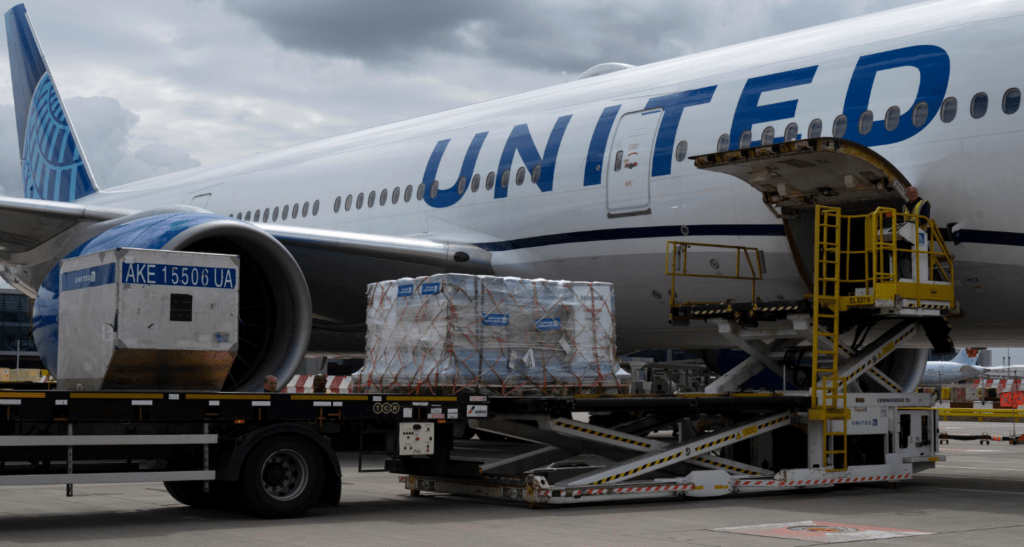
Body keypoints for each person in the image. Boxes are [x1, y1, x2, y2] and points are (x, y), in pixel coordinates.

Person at [898, 186, 931, 280]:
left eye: (915, 192)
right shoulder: (904, 207)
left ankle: (924, 278)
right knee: (906, 257)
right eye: (911, 193)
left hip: (920, 235)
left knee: (922, 258)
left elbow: (925, 217)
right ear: (907, 195)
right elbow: (900, 219)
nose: (913, 194)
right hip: (907, 236)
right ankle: (908, 277)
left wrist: (913, 223)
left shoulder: (924, 203)